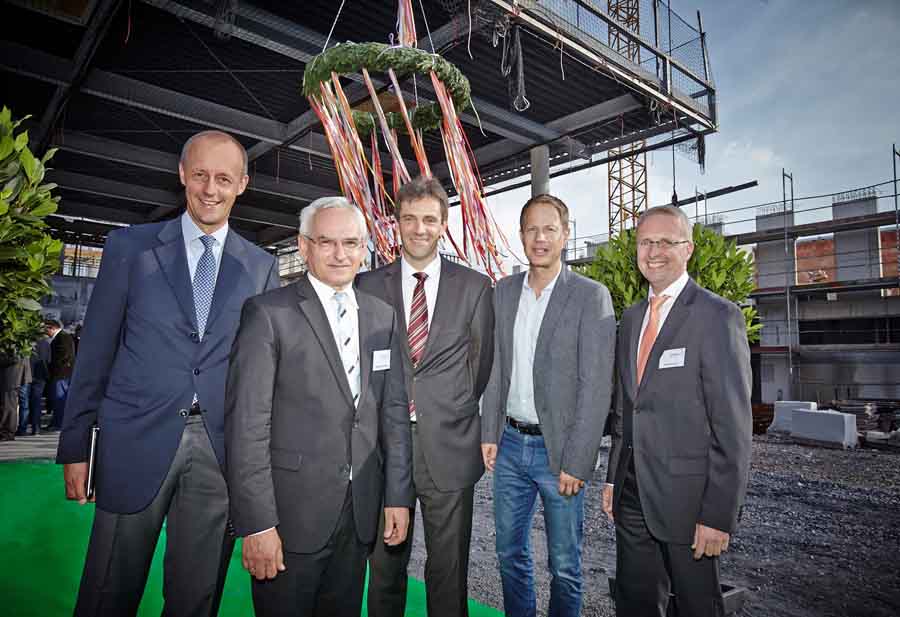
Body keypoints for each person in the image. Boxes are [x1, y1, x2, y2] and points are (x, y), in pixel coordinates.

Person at [56, 130, 280, 617]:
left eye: (224, 179)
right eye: (200, 175)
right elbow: (95, 351)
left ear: (243, 184)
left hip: (219, 451)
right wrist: (75, 447)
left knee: (196, 598)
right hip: (133, 439)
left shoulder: (261, 266)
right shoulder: (129, 248)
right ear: (182, 174)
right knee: (107, 589)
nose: (210, 189)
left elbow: (261, 370)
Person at [225, 196, 413, 617]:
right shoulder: (268, 313)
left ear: (364, 248)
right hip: (290, 518)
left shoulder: (383, 317)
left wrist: (398, 496)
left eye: (351, 243)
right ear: (304, 246)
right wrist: (257, 523)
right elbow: (247, 427)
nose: (340, 254)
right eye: (326, 242)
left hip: (359, 513)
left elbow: (394, 414)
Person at [602, 205, 752, 617]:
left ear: (688, 249)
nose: (654, 252)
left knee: (697, 606)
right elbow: (626, 409)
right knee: (634, 603)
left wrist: (718, 515)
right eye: (645, 242)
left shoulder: (716, 316)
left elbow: (733, 427)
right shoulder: (631, 318)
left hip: (689, 501)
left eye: (666, 242)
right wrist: (613, 477)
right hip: (632, 494)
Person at [359, 176, 495, 617]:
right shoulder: (366, 286)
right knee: (384, 570)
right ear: (396, 223)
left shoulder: (474, 286)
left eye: (429, 220)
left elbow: (480, 365)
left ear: (443, 224)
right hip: (384, 449)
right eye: (410, 218)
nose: (419, 228)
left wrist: (447, 408)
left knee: (448, 572)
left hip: (449, 446)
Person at [481, 194, 616, 617]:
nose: (540, 238)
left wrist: (578, 459)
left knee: (565, 566)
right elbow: (496, 367)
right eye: (532, 230)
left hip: (559, 452)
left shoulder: (590, 296)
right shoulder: (503, 292)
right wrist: (489, 432)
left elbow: (596, 387)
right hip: (509, 445)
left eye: (549, 229)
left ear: (565, 234)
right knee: (509, 555)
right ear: (521, 235)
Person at [44, 318, 74, 431]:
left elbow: (65, 356)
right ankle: (57, 422)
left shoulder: (63, 337)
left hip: (61, 374)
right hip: (61, 374)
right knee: (58, 400)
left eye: (45, 329)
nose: (45, 332)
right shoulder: (62, 337)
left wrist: (52, 367)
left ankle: (58, 424)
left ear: (51, 328)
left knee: (59, 400)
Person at [17, 335, 49, 436]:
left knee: (24, 403)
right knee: (36, 402)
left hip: (26, 374)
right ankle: (36, 428)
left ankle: (23, 428)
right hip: (40, 376)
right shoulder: (45, 343)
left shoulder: (25, 342)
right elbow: (49, 360)